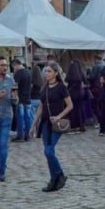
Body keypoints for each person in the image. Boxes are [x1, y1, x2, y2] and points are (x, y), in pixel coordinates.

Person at [30, 61, 72, 192]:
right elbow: (41, 108)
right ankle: (53, 180)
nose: (46, 73)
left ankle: (59, 175)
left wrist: (59, 116)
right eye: (45, 71)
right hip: (45, 123)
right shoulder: (44, 88)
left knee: (49, 151)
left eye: (49, 71)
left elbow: (70, 105)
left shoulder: (61, 87)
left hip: (56, 124)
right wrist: (33, 125)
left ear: (55, 73)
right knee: (48, 153)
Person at [12, 59, 33, 143]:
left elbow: (15, 86)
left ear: (15, 65)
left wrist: (15, 96)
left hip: (20, 99)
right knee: (28, 118)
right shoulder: (28, 72)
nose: (14, 69)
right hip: (28, 97)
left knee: (20, 118)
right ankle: (28, 135)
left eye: (13, 67)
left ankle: (20, 135)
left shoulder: (18, 73)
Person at [65, 59, 87, 132]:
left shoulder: (70, 73)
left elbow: (66, 81)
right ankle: (81, 125)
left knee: (72, 109)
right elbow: (85, 81)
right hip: (80, 93)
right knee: (80, 109)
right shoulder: (81, 73)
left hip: (72, 93)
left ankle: (74, 126)